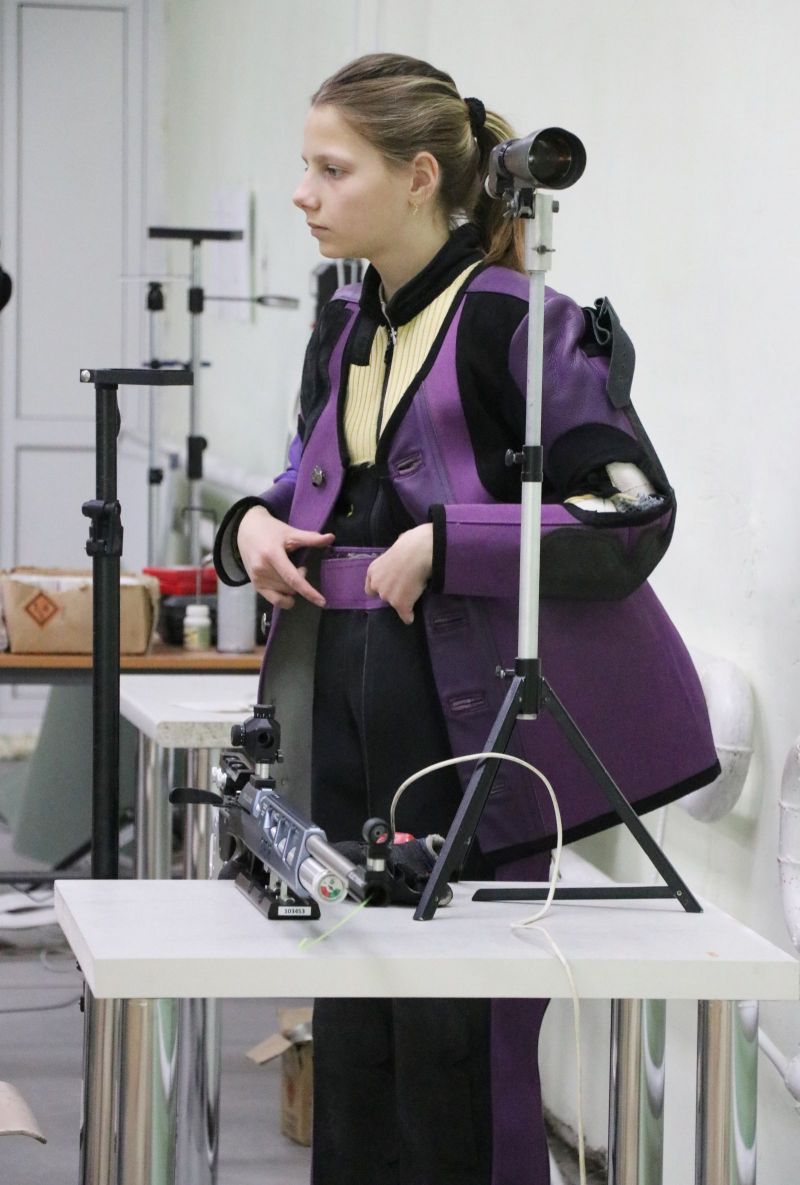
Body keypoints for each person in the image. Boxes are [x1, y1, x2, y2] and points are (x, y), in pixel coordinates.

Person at [215, 52, 719, 1185]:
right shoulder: (344, 325)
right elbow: (315, 485)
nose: (302, 192)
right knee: (353, 1030)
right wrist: (248, 526)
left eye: (331, 169)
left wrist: (453, 543)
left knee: (461, 1053)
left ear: (417, 176)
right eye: (305, 167)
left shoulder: (519, 325)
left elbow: (633, 512)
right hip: (343, 719)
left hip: (473, 739)